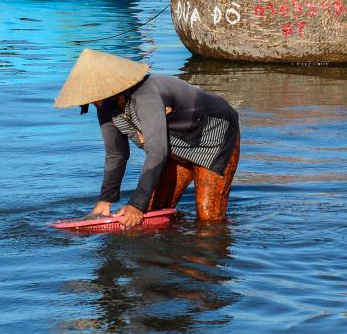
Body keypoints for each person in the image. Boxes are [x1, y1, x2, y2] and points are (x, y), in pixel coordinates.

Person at [55, 49, 241, 228]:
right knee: (156, 211)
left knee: (208, 221)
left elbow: (157, 152)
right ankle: (175, 245)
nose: (93, 102)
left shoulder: (146, 96)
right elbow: (116, 154)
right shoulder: (105, 106)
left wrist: (136, 205)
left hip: (213, 140)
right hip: (176, 148)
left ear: (110, 88)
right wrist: (105, 201)